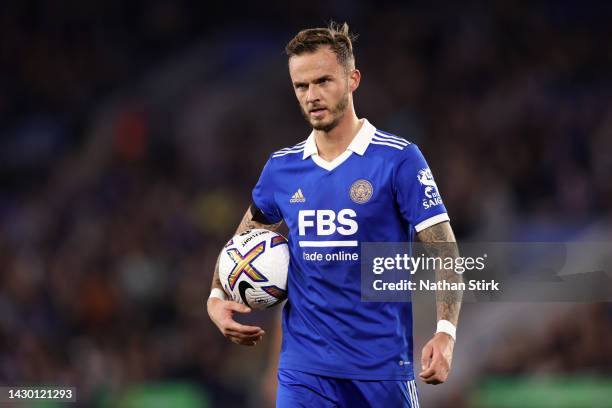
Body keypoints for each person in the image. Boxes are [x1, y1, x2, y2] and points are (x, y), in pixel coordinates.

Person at [207, 22, 462, 407]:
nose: (312, 95)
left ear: (353, 78)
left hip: (381, 371)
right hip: (304, 373)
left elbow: (445, 249)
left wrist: (446, 332)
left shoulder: (398, 160)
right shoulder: (282, 168)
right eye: (301, 86)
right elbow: (241, 240)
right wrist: (215, 296)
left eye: (323, 81)